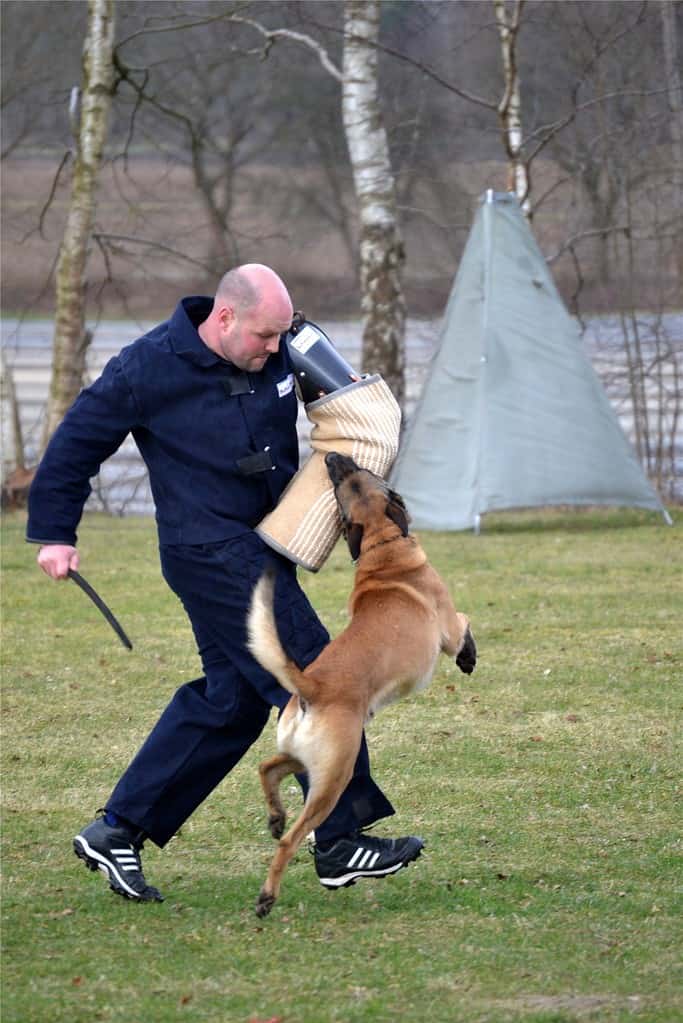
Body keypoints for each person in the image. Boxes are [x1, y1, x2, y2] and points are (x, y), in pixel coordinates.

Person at [27, 264, 423, 903]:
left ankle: (117, 830)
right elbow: (76, 444)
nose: (276, 350)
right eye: (266, 337)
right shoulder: (147, 367)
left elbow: (353, 407)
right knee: (324, 679)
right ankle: (340, 841)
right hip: (207, 550)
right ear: (225, 318)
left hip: (262, 546)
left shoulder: (281, 346)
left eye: (282, 336)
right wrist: (55, 532)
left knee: (232, 703)